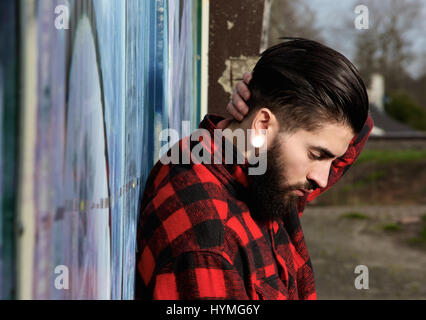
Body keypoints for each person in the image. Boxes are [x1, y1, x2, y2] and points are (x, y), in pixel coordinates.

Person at [135, 38, 374, 300]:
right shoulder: (209, 243)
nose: (322, 179)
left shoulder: (263, 174)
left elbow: (356, 129)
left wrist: (264, 85)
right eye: (317, 155)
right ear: (262, 125)